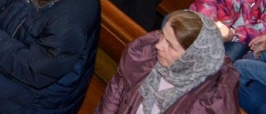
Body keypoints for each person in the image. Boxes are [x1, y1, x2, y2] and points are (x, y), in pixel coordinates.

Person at [96, 10, 240, 114]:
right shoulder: (143, 55)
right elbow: (113, 97)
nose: (159, 45)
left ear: (191, 58)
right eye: (162, 35)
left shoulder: (212, 102)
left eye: (170, 45)